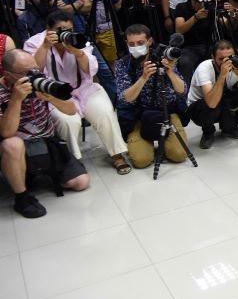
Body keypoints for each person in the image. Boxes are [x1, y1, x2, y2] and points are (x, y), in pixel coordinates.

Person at [24, 11, 130, 173]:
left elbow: (91, 69)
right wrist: (45, 46)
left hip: (84, 89)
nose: (65, 33)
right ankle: (73, 160)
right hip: (55, 94)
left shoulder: (77, 40)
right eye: (60, 29)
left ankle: (117, 154)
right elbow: (32, 71)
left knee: (105, 112)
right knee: (68, 122)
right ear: (48, 29)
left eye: (69, 28)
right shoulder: (34, 43)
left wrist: (77, 52)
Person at [0, 49, 90, 218]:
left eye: (35, 69)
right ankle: (22, 197)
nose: (33, 75)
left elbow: (71, 110)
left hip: (47, 140)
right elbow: (6, 132)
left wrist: (50, 98)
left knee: (81, 182)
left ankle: (38, 174)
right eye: (26, 73)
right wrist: (16, 99)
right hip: (20, 147)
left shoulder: (42, 81)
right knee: (12, 144)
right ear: (8, 75)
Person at [115, 24, 191, 169]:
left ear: (149, 42)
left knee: (179, 155)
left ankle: (166, 144)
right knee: (141, 161)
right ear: (126, 44)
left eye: (140, 43)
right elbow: (125, 98)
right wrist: (143, 78)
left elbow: (182, 90)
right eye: (131, 44)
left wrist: (170, 71)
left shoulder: (165, 57)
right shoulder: (123, 64)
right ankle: (148, 146)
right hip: (139, 116)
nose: (136, 47)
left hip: (167, 112)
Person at [187, 40, 238, 149]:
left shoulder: (237, 65)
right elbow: (211, 103)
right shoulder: (204, 68)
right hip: (199, 108)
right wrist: (222, 76)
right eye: (221, 59)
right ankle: (208, 131)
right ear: (213, 58)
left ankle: (230, 128)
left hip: (221, 100)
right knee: (214, 103)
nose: (227, 62)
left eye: (230, 57)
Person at [174, 0, 215, 85]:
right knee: (184, 62)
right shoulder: (181, 7)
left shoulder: (210, 7)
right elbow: (179, 30)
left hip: (208, 46)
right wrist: (196, 17)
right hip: (189, 47)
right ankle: (185, 92)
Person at [80, 0, 122, 68]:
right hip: (87, 29)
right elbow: (78, 6)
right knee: (89, 63)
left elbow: (117, 6)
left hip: (107, 28)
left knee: (111, 62)